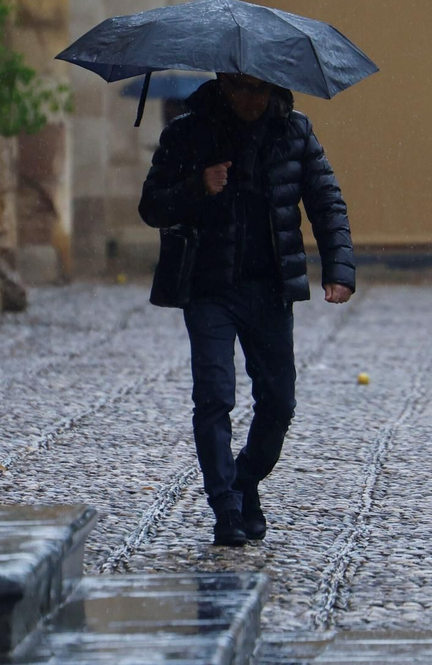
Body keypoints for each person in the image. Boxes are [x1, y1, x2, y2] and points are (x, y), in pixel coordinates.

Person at [138, 72, 355, 547]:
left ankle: (244, 479)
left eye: (259, 88)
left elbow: (326, 201)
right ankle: (226, 507)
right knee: (214, 396)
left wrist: (338, 268)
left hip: (270, 289)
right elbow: (152, 206)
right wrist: (199, 186)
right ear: (223, 83)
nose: (251, 99)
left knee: (279, 403)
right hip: (207, 287)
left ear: (273, 86)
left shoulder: (295, 130)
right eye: (240, 88)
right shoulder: (187, 132)